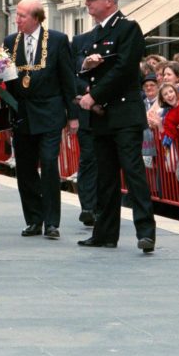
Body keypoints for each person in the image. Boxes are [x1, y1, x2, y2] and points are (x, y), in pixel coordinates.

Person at [77, 0, 156, 252]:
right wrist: (86, 74)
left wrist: (94, 95)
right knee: (105, 177)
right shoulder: (96, 33)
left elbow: (124, 70)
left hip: (123, 113)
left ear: (108, 1)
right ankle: (105, 232)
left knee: (133, 174)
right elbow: (88, 69)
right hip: (102, 116)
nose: (87, 3)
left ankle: (146, 232)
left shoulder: (128, 29)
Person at [4, 0, 78, 240]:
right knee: (24, 168)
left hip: (49, 112)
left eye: (22, 16)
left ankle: (52, 222)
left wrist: (73, 115)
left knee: (48, 164)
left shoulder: (57, 40)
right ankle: (33, 219)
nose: (17, 20)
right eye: (17, 15)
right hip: (22, 114)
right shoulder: (10, 42)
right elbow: (5, 81)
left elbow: (68, 78)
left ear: (36, 18)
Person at [71, 27, 100, 227]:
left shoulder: (119, 37)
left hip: (109, 112)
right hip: (86, 114)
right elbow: (70, 74)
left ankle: (102, 206)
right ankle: (88, 208)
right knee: (88, 160)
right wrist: (86, 89)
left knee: (106, 162)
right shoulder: (79, 41)